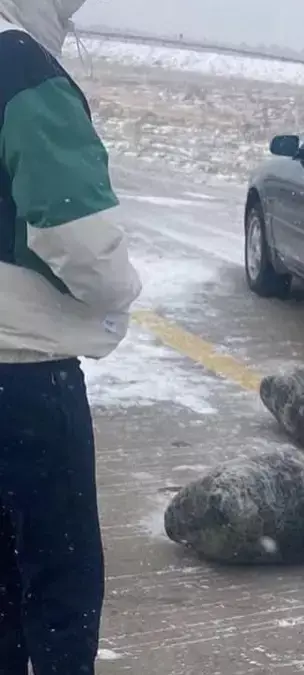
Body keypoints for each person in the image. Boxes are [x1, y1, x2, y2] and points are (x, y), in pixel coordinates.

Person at [0, 0, 143, 672]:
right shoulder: (23, 70)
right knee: (61, 595)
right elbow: (83, 246)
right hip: (24, 377)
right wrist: (123, 289)